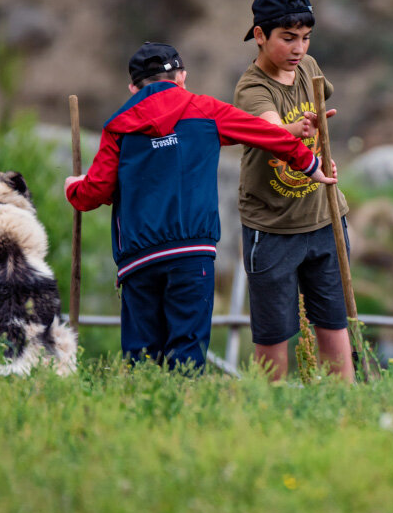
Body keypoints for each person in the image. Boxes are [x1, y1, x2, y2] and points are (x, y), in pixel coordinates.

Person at [64, 41, 335, 373]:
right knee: (187, 356)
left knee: (141, 359)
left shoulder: (118, 125)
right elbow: (264, 134)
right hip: (193, 255)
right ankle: (185, 417)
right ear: (182, 78)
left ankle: (141, 419)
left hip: (138, 262)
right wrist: (309, 163)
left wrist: (73, 188)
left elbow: (94, 193)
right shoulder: (206, 111)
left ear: (133, 87)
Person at [234, 0, 355, 382]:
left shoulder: (310, 69)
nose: (298, 48)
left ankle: (346, 414)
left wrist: (317, 127)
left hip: (326, 219)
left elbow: (322, 107)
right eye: (288, 38)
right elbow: (271, 131)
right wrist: (292, 129)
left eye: (305, 38)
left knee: (336, 326)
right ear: (259, 35)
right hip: (272, 230)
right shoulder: (251, 88)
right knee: (273, 338)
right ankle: (271, 420)